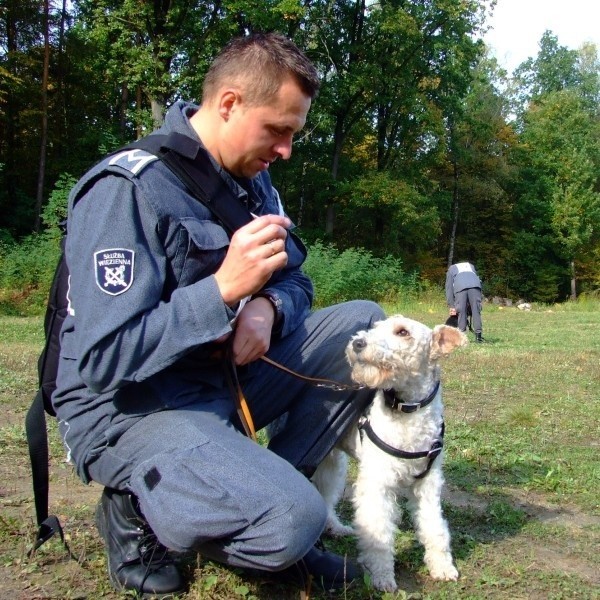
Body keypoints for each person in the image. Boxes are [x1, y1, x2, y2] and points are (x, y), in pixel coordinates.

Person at [52, 32, 385, 596]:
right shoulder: (128, 189)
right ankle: (140, 506)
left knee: (363, 327)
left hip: (220, 378)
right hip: (133, 407)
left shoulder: (254, 184)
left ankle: (263, 489)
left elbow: (295, 278)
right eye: (278, 130)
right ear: (229, 103)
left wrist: (268, 308)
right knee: (293, 520)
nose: (286, 149)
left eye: (294, 134)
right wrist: (224, 291)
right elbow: (104, 360)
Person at [445, 261, 484, 342]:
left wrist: (452, 305)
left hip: (460, 287)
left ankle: (462, 337)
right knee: (476, 311)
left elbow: (449, 288)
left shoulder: (451, 269)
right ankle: (478, 337)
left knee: (461, 312)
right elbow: (477, 281)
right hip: (476, 286)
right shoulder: (471, 266)